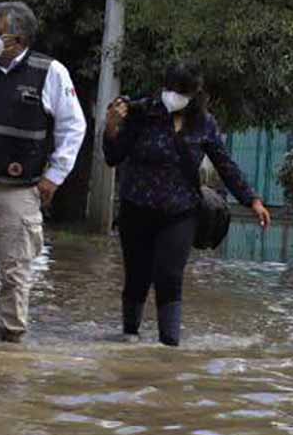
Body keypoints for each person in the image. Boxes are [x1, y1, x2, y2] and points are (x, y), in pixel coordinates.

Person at [0, 2, 86, 344]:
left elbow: (73, 127)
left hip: (20, 190)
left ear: (18, 37)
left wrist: (55, 175)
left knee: (15, 270)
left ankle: (11, 340)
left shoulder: (50, 72)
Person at [103, 63, 270, 346]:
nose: (173, 96)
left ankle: (169, 347)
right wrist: (111, 126)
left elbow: (225, 164)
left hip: (179, 212)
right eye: (170, 89)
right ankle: (128, 337)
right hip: (136, 208)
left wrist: (252, 200)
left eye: (181, 91)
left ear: (194, 94)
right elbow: (113, 156)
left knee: (169, 274)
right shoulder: (141, 113)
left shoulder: (204, 123)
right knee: (137, 275)